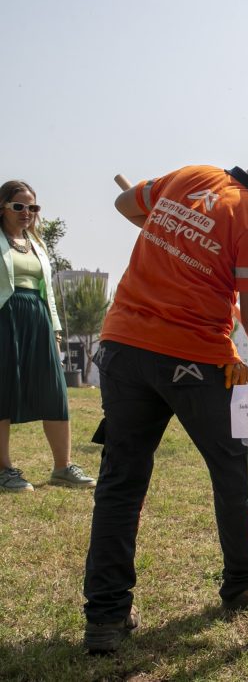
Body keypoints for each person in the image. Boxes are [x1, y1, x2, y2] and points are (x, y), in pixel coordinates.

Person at [82, 141, 248, 654]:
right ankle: (244, 579)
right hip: (190, 355)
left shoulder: (190, 176)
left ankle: (105, 618)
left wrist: (176, 234)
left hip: (123, 346)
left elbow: (128, 206)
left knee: (120, 482)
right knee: (237, 463)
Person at [1, 180, 95, 492]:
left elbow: (48, 293)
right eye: (19, 206)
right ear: (3, 207)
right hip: (5, 316)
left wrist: (54, 329)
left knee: (54, 390)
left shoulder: (37, 245)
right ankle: (4, 470)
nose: (27, 212)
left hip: (38, 317)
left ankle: (62, 467)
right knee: (3, 389)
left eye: (33, 207)